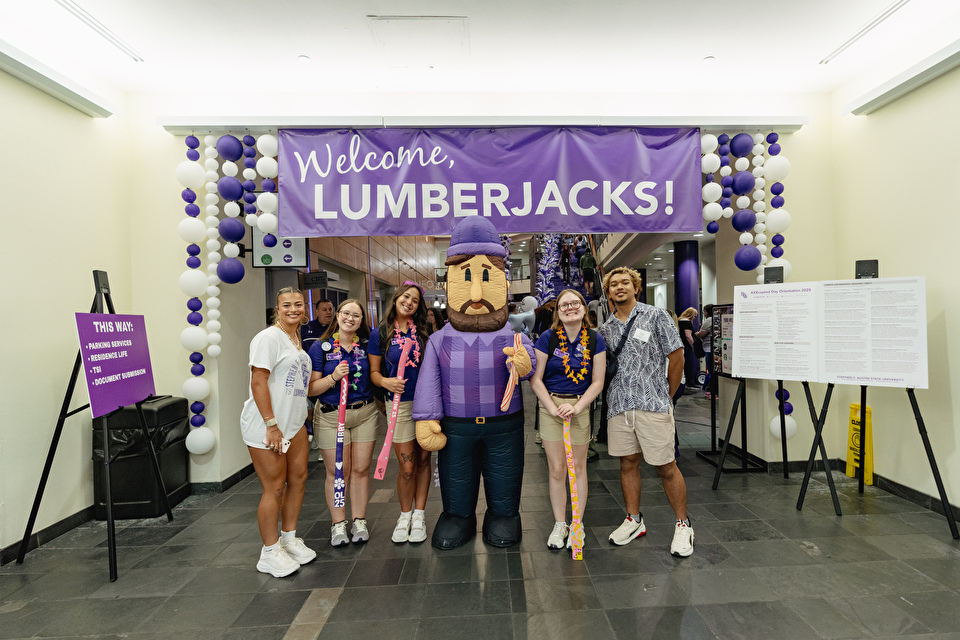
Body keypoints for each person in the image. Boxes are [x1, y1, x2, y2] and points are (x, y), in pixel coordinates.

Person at [413, 215, 535, 550]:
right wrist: (426, 418)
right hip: (456, 426)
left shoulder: (514, 333)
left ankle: (504, 514)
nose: (477, 293)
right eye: (466, 278)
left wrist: (526, 362)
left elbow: (530, 358)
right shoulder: (439, 340)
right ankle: (457, 516)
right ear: (451, 283)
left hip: (505, 425)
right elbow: (429, 381)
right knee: (457, 477)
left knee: (505, 475)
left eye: (486, 278)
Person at [598, 267, 693, 557]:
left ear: (636, 287)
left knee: (665, 465)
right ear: (609, 292)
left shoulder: (657, 316)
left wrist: (667, 394)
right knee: (627, 463)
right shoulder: (606, 328)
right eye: (613, 285)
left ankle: (683, 525)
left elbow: (677, 358)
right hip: (619, 406)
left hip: (653, 404)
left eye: (625, 282)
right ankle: (634, 520)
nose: (619, 287)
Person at [239, 287, 316, 577]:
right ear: (277, 308)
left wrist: (334, 378)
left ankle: (288, 539)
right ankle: (269, 552)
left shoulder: (295, 340)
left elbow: (301, 386)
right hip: (267, 425)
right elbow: (259, 381)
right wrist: (271, 424)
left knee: (298, 479)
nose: (293, 309)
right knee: (274, 487)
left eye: (298, 304)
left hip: (293, 424)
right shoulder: (268, 338)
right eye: (286, 305)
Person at [529, 289, 606, 549]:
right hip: (551, 405)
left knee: (578, 468)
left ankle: (577, 523)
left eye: (575, 303)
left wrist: (578, 407)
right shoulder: (547, 339)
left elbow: (597, 382)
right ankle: (560, 523)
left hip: (580, 406)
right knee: (557, 469)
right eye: (564, 305)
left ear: (584, 309)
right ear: (558, 312)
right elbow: (536, 379)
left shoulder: (595, 340)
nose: (570, 308)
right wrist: (551, 408)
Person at [308, 299, 377, 547]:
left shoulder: (366, 346)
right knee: (338, 471)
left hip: (364, 414)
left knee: (360, 470)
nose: (350, 318)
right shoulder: (321, 348)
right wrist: (333, 377)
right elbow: (311, 389)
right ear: (337, 316)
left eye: (356, 316)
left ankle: (359, 520)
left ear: (361, 321)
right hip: (330, 416)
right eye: (346, 313)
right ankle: (338, 524)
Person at [368, 282, 432, 544]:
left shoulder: (425, 333)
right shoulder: (380, 334)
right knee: (407, 467)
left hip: (427, 405)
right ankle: (404, 515)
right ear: (396, 299)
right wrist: (386, 382)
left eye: (415, 300)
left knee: (425, 461)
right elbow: (373, 373)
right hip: (400, 406)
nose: (409, 302)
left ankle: (420, 515)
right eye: (406, 297)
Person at [677, 307, 701, 393]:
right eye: (694, 316)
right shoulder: (686, 322)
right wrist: (693, 345)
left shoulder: (679, 321)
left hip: (680, 345)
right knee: (687, 363)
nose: (694, 318)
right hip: (686, 346)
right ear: (690, 315)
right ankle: (689, 382)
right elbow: (688, 335)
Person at [695, 304, 714, 397]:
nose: (704, 314)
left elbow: (702, 333)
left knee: (711, 370)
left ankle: (713, 391)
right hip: (711, 348)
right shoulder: (714, 319)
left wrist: (696, 334)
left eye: (704, 312)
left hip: (709, 349)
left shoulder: (709, 320)